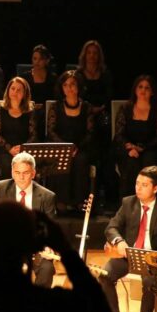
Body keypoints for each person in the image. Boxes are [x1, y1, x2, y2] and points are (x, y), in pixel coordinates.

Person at [96, 166, 157, 312]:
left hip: (152, 259)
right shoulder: (129, 203)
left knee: (149, 282)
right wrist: (119, 241)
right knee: (105, 275)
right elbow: (111, 227)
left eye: (144, 185)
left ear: (155, 188)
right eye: (137, 183)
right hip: (130, 255)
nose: (138, 188)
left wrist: (152, 258)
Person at [0, 152, 57, 287]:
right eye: (17, 172)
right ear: (12, 173)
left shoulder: (47, 196)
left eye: (26, 173)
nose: (21, 177)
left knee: (47, 268)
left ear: (33, 173)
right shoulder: (3, 187)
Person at [46, 70, 96, 211]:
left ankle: (80, 201)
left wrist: (76, 147)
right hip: (60, 146)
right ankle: (62, 200)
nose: (69, 88)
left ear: (78, 86)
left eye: (72, 84)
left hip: (81, 146)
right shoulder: (56, 107)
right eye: (65, 85)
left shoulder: (86, 107)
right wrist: (66, 147)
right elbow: (51, 132)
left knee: (81, 160)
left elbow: (90, 133)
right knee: (63, 158)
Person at [114, 75, 157, 197]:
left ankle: (149, 199)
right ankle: (130, 201)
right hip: (128, 147)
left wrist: (143, 148)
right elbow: (119, 134)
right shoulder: (126, 108)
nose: (143, 90)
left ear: (152, 92)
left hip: (150, 147)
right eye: (140, 87)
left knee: (149, 163)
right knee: (131, 163)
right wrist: (130, 148)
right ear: (135, 89)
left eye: (147, 88)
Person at [0, 76, 37, 178]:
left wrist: (23, 148)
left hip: (23, 149)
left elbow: (33, 135)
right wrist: (9, 149)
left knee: (26, 164)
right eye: (13, 88)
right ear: (8, 90)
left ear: (25, 94)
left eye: (19, 90)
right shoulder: (0, 110)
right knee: (9, 165)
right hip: (3, 149)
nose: (15, 92)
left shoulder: (30, 112)